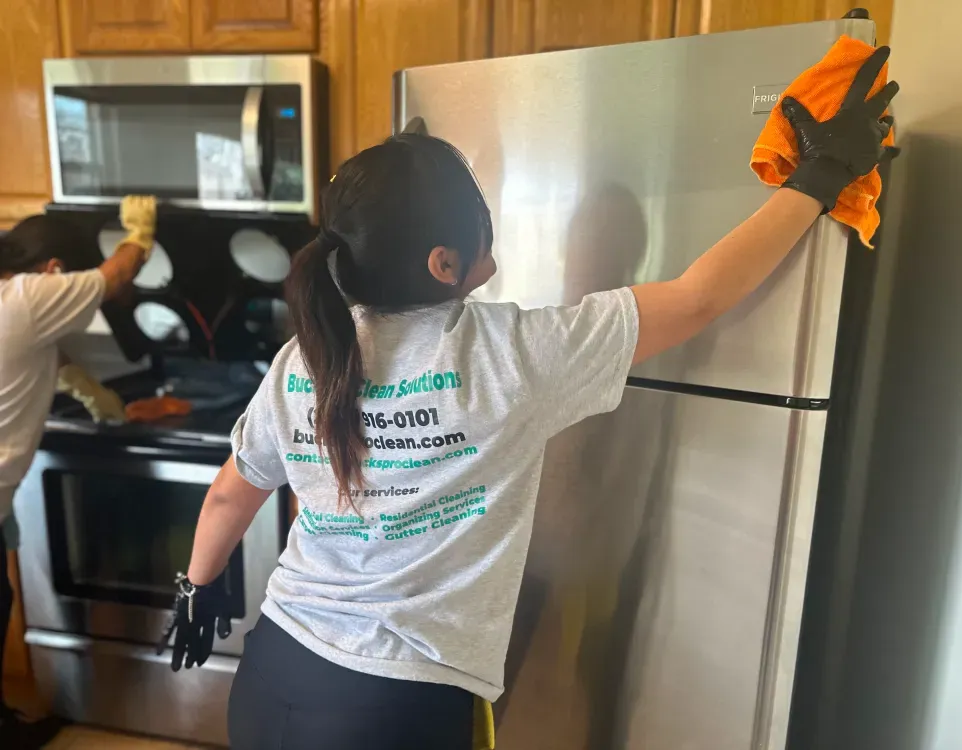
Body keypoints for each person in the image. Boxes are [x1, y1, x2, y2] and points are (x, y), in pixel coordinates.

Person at [162, 49, 898, 750]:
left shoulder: (304, 359)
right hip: (397, 708)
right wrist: (817, 181)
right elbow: (699, 298)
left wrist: (195, 592)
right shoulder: (511, 354)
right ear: (445, 264)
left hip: (273, 676)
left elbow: (231, 496)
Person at [0, 197, 157, 748]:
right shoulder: (28, 295)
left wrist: (91, 392)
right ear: (53, 272)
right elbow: (114, 278)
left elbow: (36, 354)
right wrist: (138, 232)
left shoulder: (11, 299)